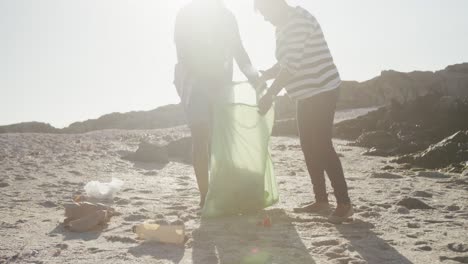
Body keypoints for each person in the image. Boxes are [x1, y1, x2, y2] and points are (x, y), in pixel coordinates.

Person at [254, 0, 353, 223]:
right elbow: (285, 61)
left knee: (322, 144)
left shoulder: (297, 22)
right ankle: (321, 201)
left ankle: (344, 203)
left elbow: (290, 66)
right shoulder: (283, 25)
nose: (265, 18)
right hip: (305, 93)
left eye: (265, 13)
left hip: (323, 88)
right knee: (308, 145)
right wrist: (266, 74)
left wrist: (270, 95)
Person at [174, 0, 262, 207]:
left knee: (222, 140)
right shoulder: (186, 14)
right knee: (201, 137)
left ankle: (222, 189)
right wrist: (208, 78)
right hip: (194, 84)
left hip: (222, 85)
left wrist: (256, 80)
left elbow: (239, 51)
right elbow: (183, 53)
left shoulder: (228, 17)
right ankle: (205, 196)